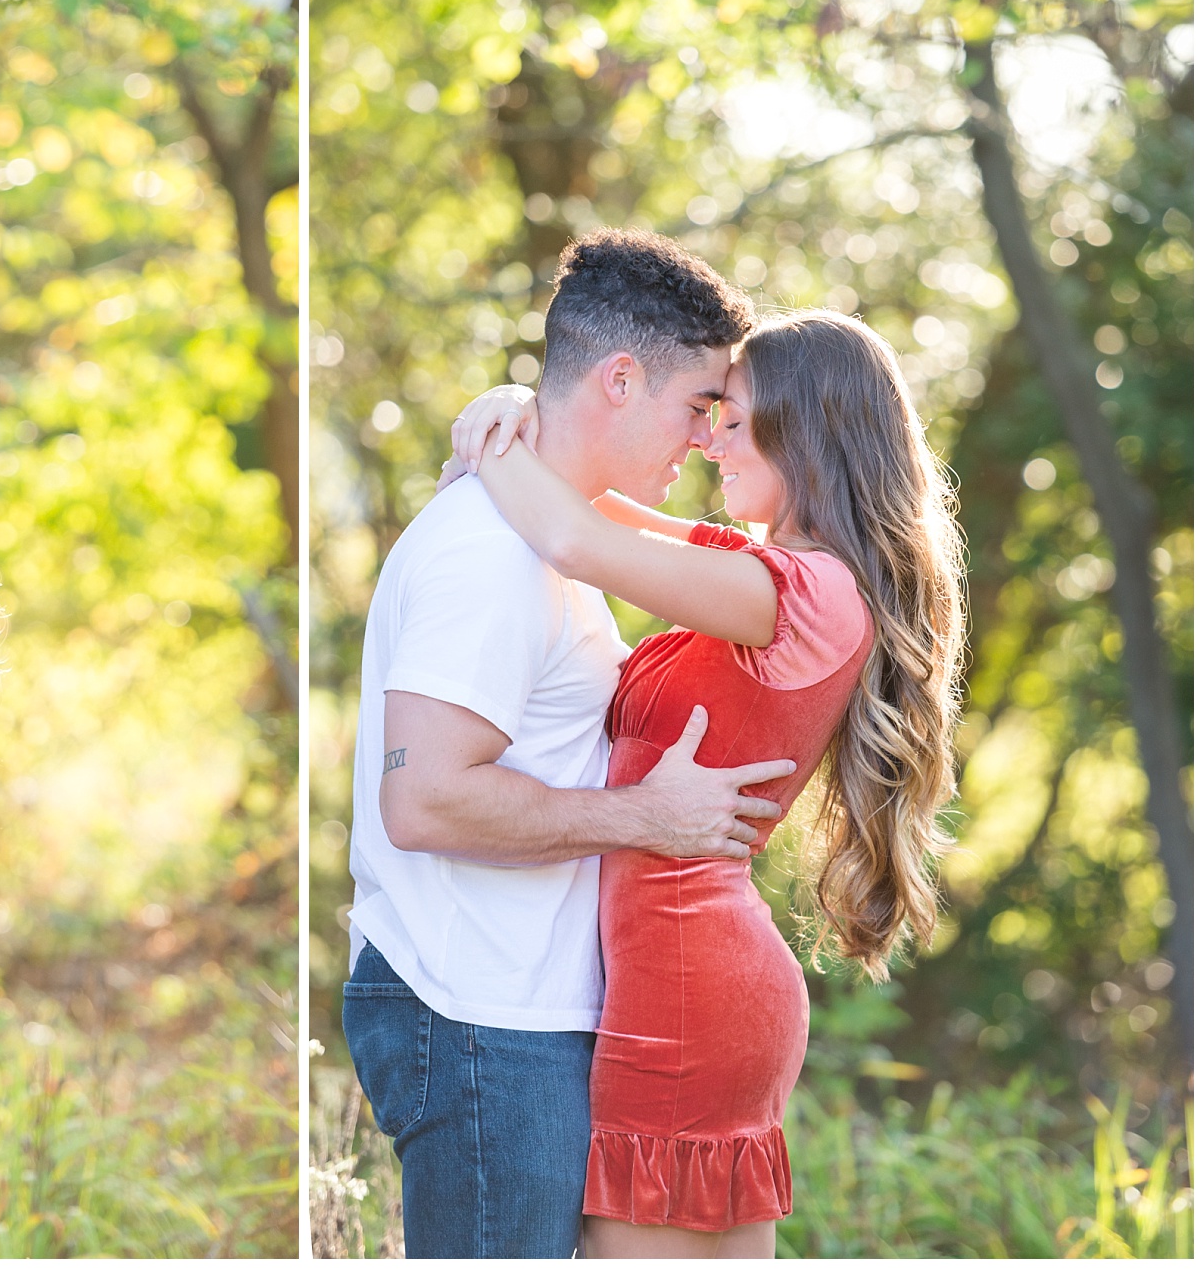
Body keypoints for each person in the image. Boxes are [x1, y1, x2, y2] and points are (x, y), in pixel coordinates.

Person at [448, 306, 965, 1258]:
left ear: (808, 430)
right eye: (710, 414)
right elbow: (599, 506)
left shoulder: (804, 592)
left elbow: (573, 540)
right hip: (690, 972)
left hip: (685, 983)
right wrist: (517, 405)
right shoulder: (772, 569)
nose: (709, 441)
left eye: (734, 418)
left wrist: (486, 447)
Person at [344, 228, 800, 1259]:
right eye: (699, 405)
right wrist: (649, 817)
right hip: (476, 1015)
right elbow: (424, 799)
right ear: (621, 379)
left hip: (514, 1007)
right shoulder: (489, 554)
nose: (705, 438)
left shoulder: (548, 537)